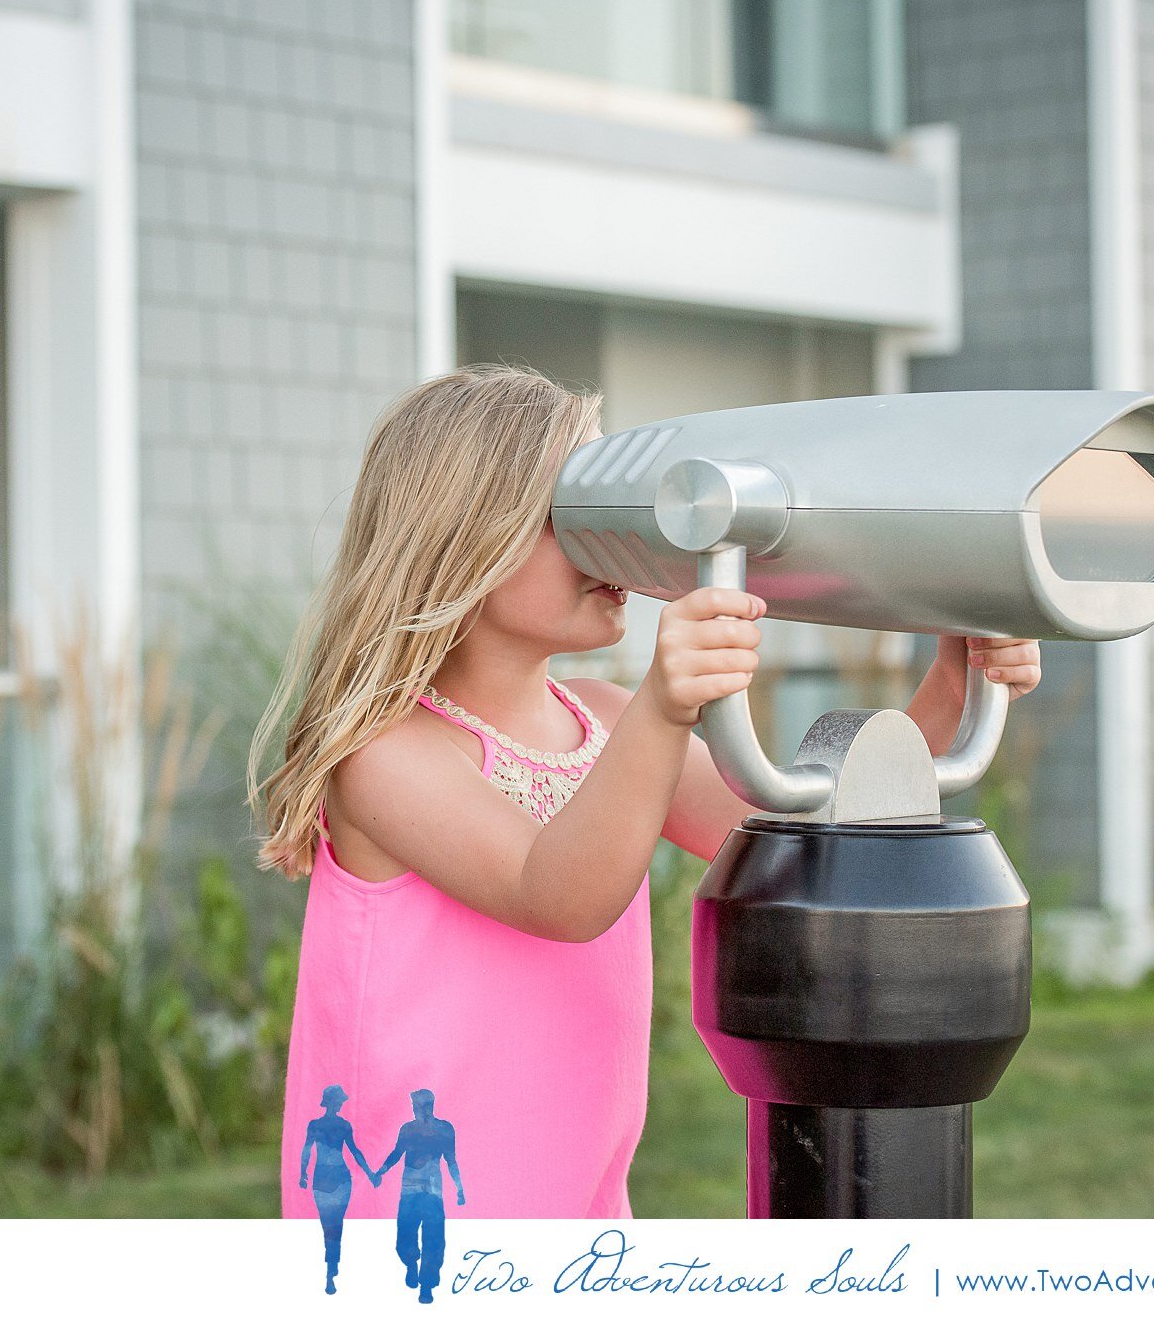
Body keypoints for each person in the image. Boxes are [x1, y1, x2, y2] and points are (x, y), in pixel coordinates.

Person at [250, 364, 1043, 1219]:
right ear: (464, 537)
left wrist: (953, 688)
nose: (615, 547)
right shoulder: (385, 756)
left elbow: (802, 833)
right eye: (575, 518)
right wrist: (665, 711)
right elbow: (557, 894)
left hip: (579, 1208)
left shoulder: (599, 717)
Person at [371, 1089, 463, 1304]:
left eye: (415, 1106)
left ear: (426, 1106)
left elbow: (451, 1161)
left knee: (434, 1241)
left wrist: (459, 1188)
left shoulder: (444, 1130)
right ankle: (411, 1265)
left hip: (432, 1193)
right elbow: (396, 1153)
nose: (413, 1109)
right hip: (410, 1191)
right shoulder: (407, 1130)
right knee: (405, 1237)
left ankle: (427, 1286)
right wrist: (381, 1171)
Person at [298, 1083, 376, 1295]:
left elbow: (353, 1151)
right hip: (334, 1178)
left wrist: (303, 1173)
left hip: (329, 1178)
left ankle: (331, 1272)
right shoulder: (333, 1126)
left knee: (331, 1227)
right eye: (340, 1100)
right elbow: (354, 1152)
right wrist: (302, 1173)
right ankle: (331, 1270)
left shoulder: (326, 1125)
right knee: (332, 1227)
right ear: (333, 1102)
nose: (342, 1103)